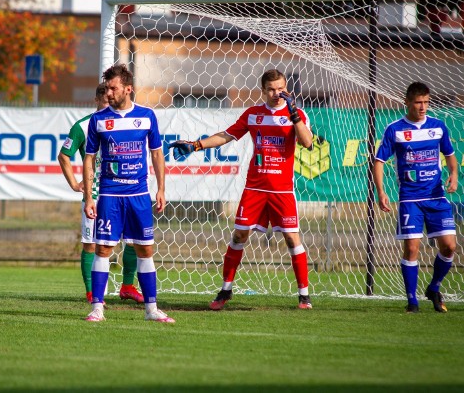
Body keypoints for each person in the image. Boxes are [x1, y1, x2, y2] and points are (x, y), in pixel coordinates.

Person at [170, 68, 314, 310]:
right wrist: (197, 145)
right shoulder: (253, 114)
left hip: (282, 190)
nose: (276, 93)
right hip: (255, 188)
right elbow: (226, 136)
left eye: (280, 89)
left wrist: (294, 115)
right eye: (271, 89)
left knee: (291, 238)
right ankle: (225, 291)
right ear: (263, 91)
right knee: (239, 235)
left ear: (286, 88)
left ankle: (304, 296)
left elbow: (307, 142)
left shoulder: (297, 114)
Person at [83, 64, 174, 322]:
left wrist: (161, 189)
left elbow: (157, 153)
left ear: (128, 88)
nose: (109, 92)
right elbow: (89, 159)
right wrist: (90, 196)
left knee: (145, 250)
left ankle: (151, 309)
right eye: (108, 88)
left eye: (114, 88)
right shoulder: (98, 120)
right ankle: (98, 307)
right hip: (110, 195)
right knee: (103, 249)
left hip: (139, 195)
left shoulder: (147, 116)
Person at [374, 81, 458, 313]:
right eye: (418, 102)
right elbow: (379, 161)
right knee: (412, 249)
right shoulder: (395, 129)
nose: (423, 107)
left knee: (450, 247)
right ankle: (412, 301)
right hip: (410, 199)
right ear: (407, 103)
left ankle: (434, 287)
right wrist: (381, 191)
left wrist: (453, 174)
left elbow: (450, 155)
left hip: (436, 197)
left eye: (426, 102)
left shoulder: (438, 127)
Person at [58, 83, 144, 304]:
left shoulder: (124, 121)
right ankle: (91, 292)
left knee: (133, 240)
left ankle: (127, 286)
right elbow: (64, 156)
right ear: (97, 100)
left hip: (123, 191)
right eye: (105, 101)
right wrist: (74, 184)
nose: (109, 105)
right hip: (95, 194)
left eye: (111, 100)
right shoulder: (83, 126)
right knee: (92, 243)